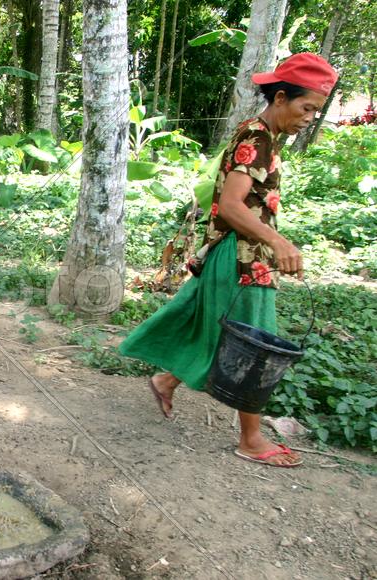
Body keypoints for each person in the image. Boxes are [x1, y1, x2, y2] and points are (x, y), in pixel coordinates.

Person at [119, 53, 338, 468]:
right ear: (279, 98)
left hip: (237, 257)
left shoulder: (259, 135)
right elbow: (233, 207)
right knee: (257, 347)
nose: (309, 117)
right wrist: (281, 243)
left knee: (216, 328)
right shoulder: (256, 139)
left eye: (315, 110)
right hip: (242, 261)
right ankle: (252, 440)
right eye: (305, 107)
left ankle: (166, 379)